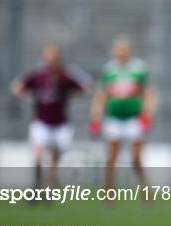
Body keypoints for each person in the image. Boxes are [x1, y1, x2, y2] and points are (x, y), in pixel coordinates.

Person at [11, 43, 90, 187]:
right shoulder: (38, 75)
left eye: (53, 56)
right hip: (42, 121)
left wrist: (71, 95)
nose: (50, 60)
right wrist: (30, 96)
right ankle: (36, 185)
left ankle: (49, 185)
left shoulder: (65, 75)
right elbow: (17, 86)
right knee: (38, 156)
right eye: (48, 56)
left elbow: (85, 86)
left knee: (55, 159)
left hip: (61, 122)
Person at [90, 36, 156, 191]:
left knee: (136, 159)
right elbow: (101, 96)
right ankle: (109, 194)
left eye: (124, 50)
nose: (121, 53)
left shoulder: (138, 68)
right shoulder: (109, 69)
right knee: (111, 159)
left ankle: (145, 192)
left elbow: (148, 93)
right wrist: (95, 118)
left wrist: (148, 114)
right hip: (114, 119)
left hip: (133, 119)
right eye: (119, 50)